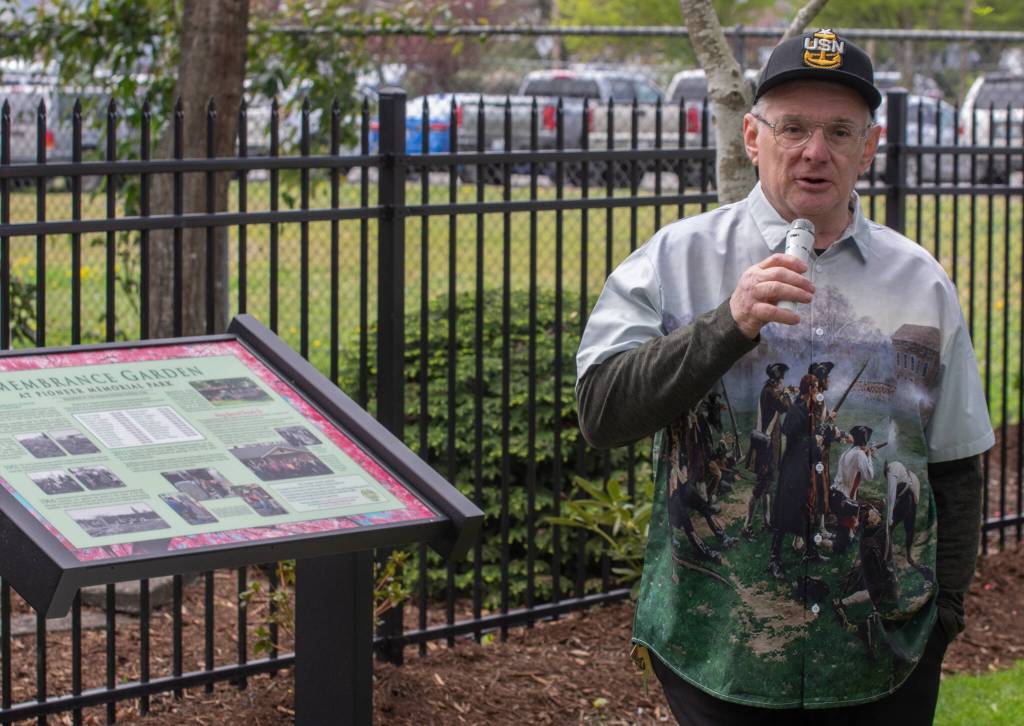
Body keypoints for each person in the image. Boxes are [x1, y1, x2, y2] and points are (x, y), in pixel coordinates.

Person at [575, 28, 993, 725]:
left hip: (884, 661)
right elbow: (601, 412)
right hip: (717, 659)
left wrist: (942, 618)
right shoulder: (675, 260)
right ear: (751, 136)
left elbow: (957, 464)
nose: (814, 151)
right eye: (792, 127)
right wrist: (725, 325)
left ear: (870, 146)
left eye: (839, 130)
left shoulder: (921, 282)